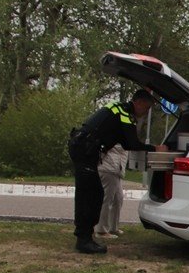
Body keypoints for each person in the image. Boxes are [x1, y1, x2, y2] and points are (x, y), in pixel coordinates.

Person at [68, 89, 163, 254]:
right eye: (146, 108)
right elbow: (132, 143)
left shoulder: (120, 110)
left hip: (83, 148)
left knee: (91, 193)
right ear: (138, 102)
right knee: (91, 195)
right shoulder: (124, 113)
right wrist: (156, 148)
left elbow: (126, 143)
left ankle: (84, 236)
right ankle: (84, 240)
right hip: (85, 150)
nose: (146, 112)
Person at [94, 142, 127, 239]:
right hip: (109, 168)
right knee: (107, 199)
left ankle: (113, 227)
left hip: (116, 168)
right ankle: (101, 230)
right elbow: (126, 145)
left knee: (118, 199)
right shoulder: (115, 134)